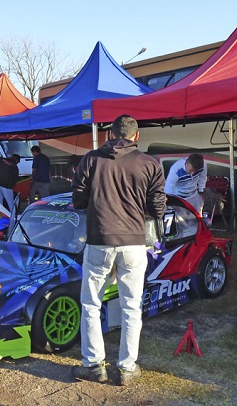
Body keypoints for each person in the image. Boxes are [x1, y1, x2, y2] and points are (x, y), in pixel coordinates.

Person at [71, 114, 166, 386]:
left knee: (91, 304)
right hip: (133, 242)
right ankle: (126, 368)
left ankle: (93, 366)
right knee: (131, 307)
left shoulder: (91, 159)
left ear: (110, 134)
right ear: (136, 136)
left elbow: (78, 200)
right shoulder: (149, 163)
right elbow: (158, 208)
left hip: (99, 239)